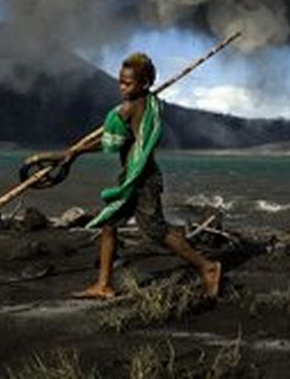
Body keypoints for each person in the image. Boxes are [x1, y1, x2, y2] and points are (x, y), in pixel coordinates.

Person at [70, 52, 221, 299]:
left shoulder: (129, 108)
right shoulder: (149, 102)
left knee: (156, 231)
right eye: (120, 81)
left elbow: (112, 144)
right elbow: (120, 138)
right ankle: (103, 284)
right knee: (110, 224)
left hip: (142, 180)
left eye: (127, 83)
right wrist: (75, 152)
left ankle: (208, 267)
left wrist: (75, 152)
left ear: (144, 84)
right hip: (134, 176)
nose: (122, 87)